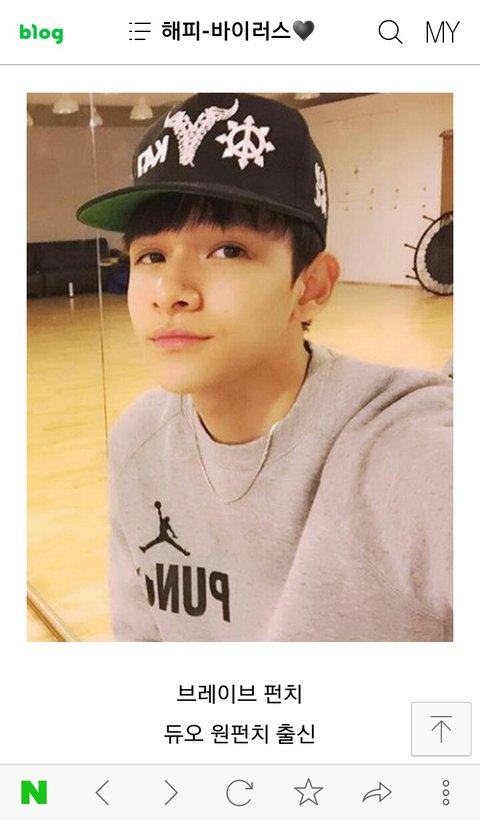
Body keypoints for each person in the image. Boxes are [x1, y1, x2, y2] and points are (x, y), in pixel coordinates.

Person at [77, 93, 452, 642]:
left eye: (227, 250)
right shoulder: (137, 443)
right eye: (151, 256)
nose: (170, 292)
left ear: (311, 286)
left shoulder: (400, 454)